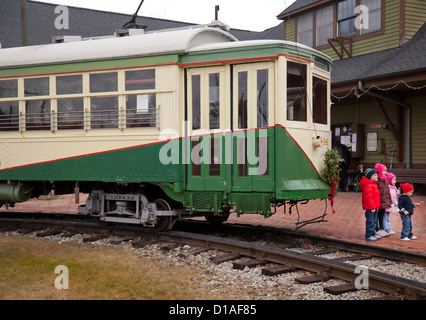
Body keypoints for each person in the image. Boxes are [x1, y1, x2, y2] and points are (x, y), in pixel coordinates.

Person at [360, 168, 381, 241]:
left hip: (374, 207)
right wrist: (372, 207)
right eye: (374, 175)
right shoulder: (368, 186)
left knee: (374, 221)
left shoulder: (373, 184)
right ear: (369, 176)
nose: (377, 176)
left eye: (377, 175)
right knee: (370, 221)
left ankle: (373, 233)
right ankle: (369, 235)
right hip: (370, 208)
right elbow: (369, 198)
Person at [374, 163, 392, 237]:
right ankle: (377, 229)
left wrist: (389, 201)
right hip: (378, 202)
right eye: (384, 171)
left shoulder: (385, 180)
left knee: (381, 215)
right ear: (379, 171)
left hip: (384, 202)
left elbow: (388, 192)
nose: (385, 172)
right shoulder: (377, 181)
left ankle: (382, 228)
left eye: (386, 171)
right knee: (376, 216)